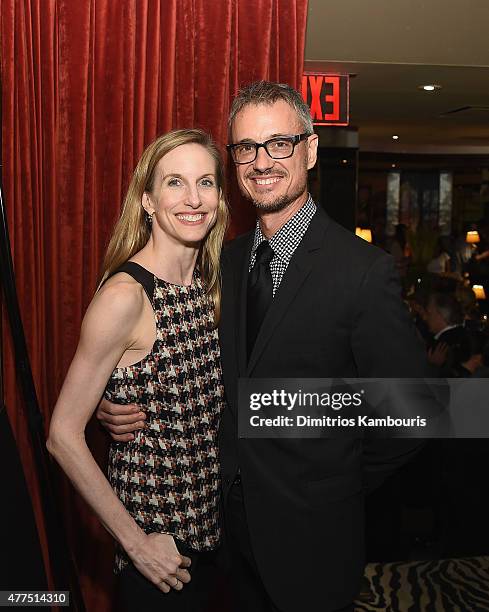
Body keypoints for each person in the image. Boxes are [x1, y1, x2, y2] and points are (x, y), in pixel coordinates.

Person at [98, 82, 431, 612]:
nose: (262, 162)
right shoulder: (222, 264)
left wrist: (333, 478)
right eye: (246, 148)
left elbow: (415, 410)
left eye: (280, 143)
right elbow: (179, 359)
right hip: (219, 535)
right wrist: (109, 400)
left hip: (312, 539)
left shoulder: (361, 271)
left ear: (311, 149)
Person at [47, 129, 229, 612]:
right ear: (147, 200)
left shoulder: (211, 286)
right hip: (162, 559)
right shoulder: (126, 296)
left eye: (206, 182)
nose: (193, 199)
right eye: (175, 183)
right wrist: (137, 544)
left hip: (216, 542)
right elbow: (62, 434)